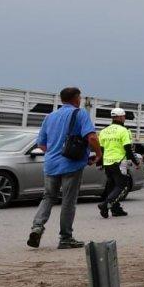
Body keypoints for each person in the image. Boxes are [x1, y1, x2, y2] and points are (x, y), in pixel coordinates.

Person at [27, 87, 101, 249]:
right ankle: (65, 237)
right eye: (79, 97)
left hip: (51, 164)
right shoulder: (80, 113)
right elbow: (91, 137)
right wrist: (99, 154)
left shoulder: (50, 117)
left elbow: (41, 144)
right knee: (69, 201)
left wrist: (54, 154)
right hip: (71, 164)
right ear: (75, 99)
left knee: (48, 197)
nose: (80, 100)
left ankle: (37, 227)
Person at [97, 108, 139, 218]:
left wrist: (100, 163)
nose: (124, 118)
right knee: (122, 185)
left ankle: (116, 209)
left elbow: (101, 150)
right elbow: (128, 150)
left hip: (107, 163)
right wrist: (136, 162)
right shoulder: (124, 130)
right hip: (119, 162)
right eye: (124, 116)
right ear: (120, 117)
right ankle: (105, 205)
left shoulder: (104, 131)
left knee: (111, 186)